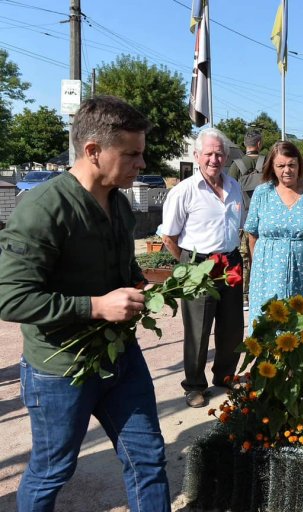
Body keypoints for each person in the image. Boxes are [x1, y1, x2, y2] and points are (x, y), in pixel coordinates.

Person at [0, 95, 171, 511]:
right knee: (52, 471)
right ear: (93, 151)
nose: (142, 164)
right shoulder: (44, 209)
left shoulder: (120, 203)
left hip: (120, 356)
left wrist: (140, 287)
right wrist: (97, 307)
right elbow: (11, 298)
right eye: (131, 153)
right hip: (61, 369)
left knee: (147, 458)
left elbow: (122, 269)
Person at [162, 127, 244, 408]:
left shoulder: (234, 187)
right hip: (198, 265)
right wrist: (188, 266)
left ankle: (224, 374)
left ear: (226, 157)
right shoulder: (184, 191)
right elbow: (169, 237)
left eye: (219, 153)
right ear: (196, 156)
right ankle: (195, 385)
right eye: (208, 153)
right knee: (198, 330)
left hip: (230, 262)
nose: (214, 159)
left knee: (233, 326)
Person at [244, 141, 303, 329]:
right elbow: (252, 235)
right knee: (268, 323)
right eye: (280, 166)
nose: (287, 170)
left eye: (291, 164)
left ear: (299, 164)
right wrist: (255, 267)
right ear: (272, 168)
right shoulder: (262, 193)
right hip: (268, 272)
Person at [227, 130, 264, 309]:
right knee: (259, 256)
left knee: (241, 256)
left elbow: (229, 191)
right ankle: (258, 291)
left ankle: (242, 295)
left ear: (245, 145)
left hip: (242, 217)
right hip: (263, 218)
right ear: (259, 144)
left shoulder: (237, 165)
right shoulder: (266, 162)